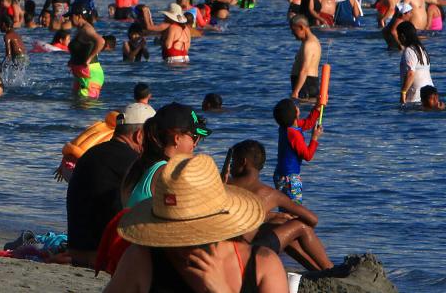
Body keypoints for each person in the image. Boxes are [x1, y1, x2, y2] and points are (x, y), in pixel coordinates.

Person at [108, 154, 287, 293]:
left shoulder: (262, 266)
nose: (179, 243)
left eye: (189, 234)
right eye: (172, 232)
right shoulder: (143, 259)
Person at [66, 103, 154, 268]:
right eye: (154, 137)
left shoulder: (89, 155)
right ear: (139, 135)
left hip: (76, 250)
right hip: (102, 256)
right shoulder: (135, 163)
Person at [227, 140, 334, 271]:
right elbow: (313, 219)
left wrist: (274, 217)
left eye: (232, 161)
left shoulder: (224, 184)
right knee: (299, 226)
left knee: (281, 223)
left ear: (242, 162)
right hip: (247, 254)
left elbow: (239, 214)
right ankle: (328, 268)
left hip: (226, 251)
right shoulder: (271, 194)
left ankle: (319, 272)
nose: (230, 165)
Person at [121, 103, 209, 209]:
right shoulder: (167, 173)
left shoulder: (139, 165)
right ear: (177, 138)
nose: (195, 145)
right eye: (194, 138)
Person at [272, 98, 322, 205]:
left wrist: (317, 109)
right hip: (291, 178)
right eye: (295, 107)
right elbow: (308, 156)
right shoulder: (294, 134)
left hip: (280, 174)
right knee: (295, 207)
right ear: (295, 114)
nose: (297, 107)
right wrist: (314, 138)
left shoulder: (284, 127)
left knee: (285, 207)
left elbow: (307, 124)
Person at [67, 8, 105, 99]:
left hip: (90, 74)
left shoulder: (86, 29)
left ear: (79, 16)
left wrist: (89, 59)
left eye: (71, 17)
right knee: (75, 105)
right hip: (82, 75)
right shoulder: (80, 29)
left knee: (86, 105)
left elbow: (101, 41)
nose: (69, 19)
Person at [396, 21, 433, 104]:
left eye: (398, 35)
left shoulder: (409, 51)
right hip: (431, 92)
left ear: (402, 36)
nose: (398, 38)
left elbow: (410, 74)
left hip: (417, 95)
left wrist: (403, 93)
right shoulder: (421, 49)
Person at [288, 15, 322, 101]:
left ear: (301, 27)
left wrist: (295, 92)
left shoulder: (309, 44)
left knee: (304, 111)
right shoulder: (307, 42)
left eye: (293, 30)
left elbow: (304, 70)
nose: (293, 34)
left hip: (306, 84)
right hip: (306, 84)